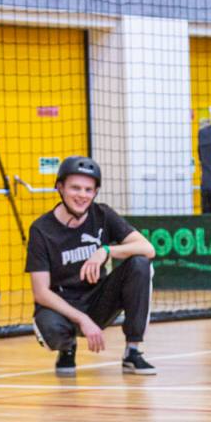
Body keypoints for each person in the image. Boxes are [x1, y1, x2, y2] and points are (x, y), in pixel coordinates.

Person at [26, 155, 158, 377]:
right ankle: (67, 347)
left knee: (140, 263)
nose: (82, 195)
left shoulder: (103, 214)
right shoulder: (41, 229)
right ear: (60, 187)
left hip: (98, 300)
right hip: (62, 305)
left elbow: (148, 248)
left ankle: (132, 352)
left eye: (88, 190)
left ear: (95, 192)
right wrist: (82, 320)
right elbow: (40, 292)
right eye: (75, 188)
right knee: (50, 330)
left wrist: (106, 251)